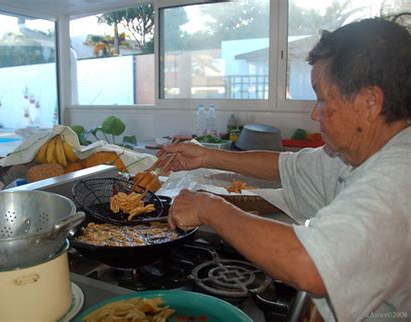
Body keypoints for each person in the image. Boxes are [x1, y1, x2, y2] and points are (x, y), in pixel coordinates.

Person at [158, 17, 410, 321]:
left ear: (369, 102)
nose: (314, 112)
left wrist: (208, 207)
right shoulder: (362, 152)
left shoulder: (397, 177)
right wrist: (206, 156)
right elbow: (284, 165)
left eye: (321, 97)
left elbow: (311, 265)